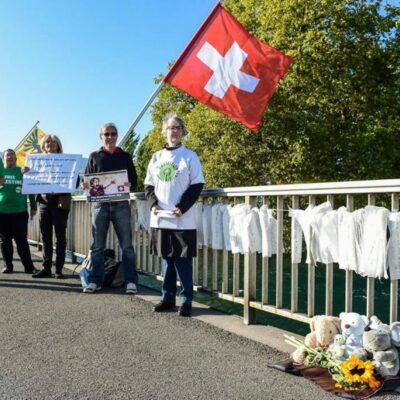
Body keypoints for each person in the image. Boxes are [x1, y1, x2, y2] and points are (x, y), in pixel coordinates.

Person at [144, 113, 204, 317]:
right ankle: (167, 298)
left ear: (182, 132)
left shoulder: (190, 156)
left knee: (182, 261)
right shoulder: (156, 157)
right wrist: (152, 204)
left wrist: (183, 206)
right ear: (165, 132)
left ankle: (186, 300)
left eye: (178, 127)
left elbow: (197, 184)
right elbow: (148, 185)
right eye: (171, 128)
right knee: (167, 261)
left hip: (182, 219)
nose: (174, 131)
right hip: (161, 218)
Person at [83, 122, 138, 294]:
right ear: (101, 136)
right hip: (100, 206)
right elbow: (86, 181)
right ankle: (95, 281)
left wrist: (129, 184)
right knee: (97, 246)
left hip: (121, 205)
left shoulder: (126, 157)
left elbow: (134, 181)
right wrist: (86, 186)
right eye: (106, 134)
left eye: (113, 134)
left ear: (117, 135)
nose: (110, 137)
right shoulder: (94, 156)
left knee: (127, 246)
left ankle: (131, 281)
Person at [32, 134, 72, 279]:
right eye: (47, 142)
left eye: (53, 142)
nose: (50, 144)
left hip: (60, 203)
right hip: (43, 202)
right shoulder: (36, 162)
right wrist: (26, 172)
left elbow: (75, 179)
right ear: (43, 145)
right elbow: (31, 179)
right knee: (45, 237)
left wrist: (72, 175)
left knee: (60, 237)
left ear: (58, 145)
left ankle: (59, 270)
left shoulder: (67, 161)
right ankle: (46, 268)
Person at [0, 149, 38, 274]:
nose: (10, 157)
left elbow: (30, 190)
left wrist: (33, 206)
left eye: (12, 155)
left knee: (21, 240)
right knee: (5, 240)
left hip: (20, 211)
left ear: (16, 159)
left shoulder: (22, 171)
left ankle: (29, 267)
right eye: (7, 155)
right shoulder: (1, 172)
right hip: (2, 211)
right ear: (3, 158)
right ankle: (8, 266)